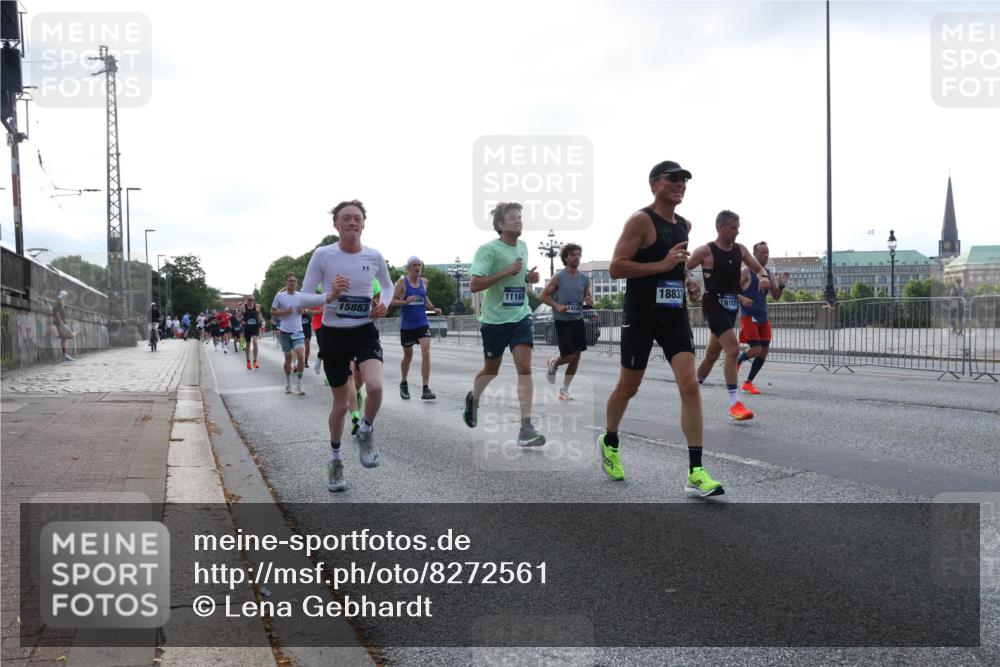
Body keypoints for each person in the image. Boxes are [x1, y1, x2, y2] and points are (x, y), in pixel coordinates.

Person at [599, 160, 723, 497]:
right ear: (655, 184)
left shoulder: (684, 225)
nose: (681, 184)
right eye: (674, 179)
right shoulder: (640, 220)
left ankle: (696, 471)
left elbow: (676, 265)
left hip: (673, 314)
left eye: (684, 180)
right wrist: (664, 264)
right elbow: (616, 268)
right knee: (629, 386)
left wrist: (687, 280)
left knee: (690, 386)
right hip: (640, 314)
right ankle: (609, 439)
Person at [299, 199, 393, 493]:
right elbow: (303, 297)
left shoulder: (374, 255)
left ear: (364, 224)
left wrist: (384, 305)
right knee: (340, 406)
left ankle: (366, 430)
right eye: (346, 218)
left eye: (357, 218)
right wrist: (330, 295)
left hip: (364, 330)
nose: (352, 223)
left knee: (375, 387)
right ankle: (336, 459)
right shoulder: (323, 256)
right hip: (333, 334)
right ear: (336, 224)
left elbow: (388, 286)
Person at [463, 202, 545, 447]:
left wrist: (528, 278)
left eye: (520, 217)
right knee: (491, 370)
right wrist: (507, 271)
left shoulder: (523, 246)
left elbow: (519, 279)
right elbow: (475, 285)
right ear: (500, 225)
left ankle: (526, 427)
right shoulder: (488, 250)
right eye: (513, 218)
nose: (519, 221)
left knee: (525, 366)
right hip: (495, 320)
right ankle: (474, 398)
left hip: (520, 315)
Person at [686, 210, 770, 422]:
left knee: (712, 355)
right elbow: (682, 268)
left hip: (731, 307)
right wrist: (690, 280)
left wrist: (763, 277)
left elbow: (758, 267)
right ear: (721, 228)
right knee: (732, 349)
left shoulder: (740, 250)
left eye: (738, 227)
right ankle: (735, 404)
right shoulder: (706, 251)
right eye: (733, 227)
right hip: (713, 304)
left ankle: (691, 391)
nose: (738, 231)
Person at [540, 243, 593, 400]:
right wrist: (557, 305)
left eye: (578, 254)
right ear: (566, 258)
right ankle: (553, 364)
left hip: (577, 320)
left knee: (576, 357)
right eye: (573, 254)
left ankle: (564, 389)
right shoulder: (559, 277)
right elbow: (543, 295)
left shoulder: (584, 278)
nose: (576, 257)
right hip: (562, 321)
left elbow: (588, 296)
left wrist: (589, 299)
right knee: (568, 356)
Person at [735, 241, 789, 395]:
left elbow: (776, 296)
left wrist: (781, 285)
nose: (766, 255)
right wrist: (742, 299)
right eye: (763, 252)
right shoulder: (745, 272)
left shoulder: (769, 274)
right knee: (756, 349)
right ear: (754, 254)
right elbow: (731, 290)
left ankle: (748, 383)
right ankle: (736, 362)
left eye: (767, 252)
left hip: (762, 316)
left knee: (764, 351)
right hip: (748, 316)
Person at [390, 256, 443, 400]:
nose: (417, 267)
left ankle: (425, 388)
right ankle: (404, 383)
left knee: (426, 352)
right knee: (408, 356)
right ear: (408, 268)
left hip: (422, 323)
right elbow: (391, 301)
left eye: (419, 265)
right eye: (414, 265)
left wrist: (433, 308)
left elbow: (424, 299)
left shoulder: (424, 282)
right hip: (407, 325)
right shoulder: (403, 282)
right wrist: (404, 302)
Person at [271, 273, 307, 395]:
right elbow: (273, 312)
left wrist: (303, 310)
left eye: (294, 281)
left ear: (297, 283)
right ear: (286, 283)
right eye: (290, 281)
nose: (292, 283)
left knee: (301, 356)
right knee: (288, 358)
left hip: (298, 331)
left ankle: (299, 383)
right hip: (285, 332)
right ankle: (288, 383)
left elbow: (304, 309)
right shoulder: (280, 296)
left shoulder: (301, 296)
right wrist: (285, 311)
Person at [52, 290, 76, 362]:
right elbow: (57, 313)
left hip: (59, 323)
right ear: (64, 296)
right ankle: (65, 355)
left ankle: (65, 356)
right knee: (71, 335)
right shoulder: (59, 301)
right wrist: (61, 322)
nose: (66, 297)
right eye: (66, 296)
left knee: (64, 338)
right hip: (60, 323)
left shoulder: (58, 301)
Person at [241, 296, 263, 369]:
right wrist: (242, 321)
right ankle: (248, 361)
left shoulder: (257, 306)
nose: (250, 301)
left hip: (255, 328)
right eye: (249, 300)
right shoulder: (243, 307)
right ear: (246, 300)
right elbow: (237, 317)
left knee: (254, 342)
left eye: (252, 300)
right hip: (247, 328)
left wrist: (260, 318)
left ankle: (255, 361)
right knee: (247, 344)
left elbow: (260, 314)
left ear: (254, 300)